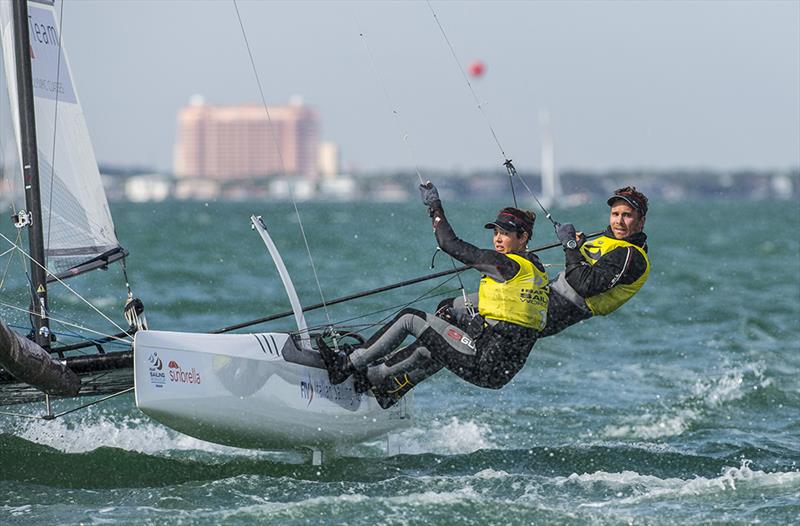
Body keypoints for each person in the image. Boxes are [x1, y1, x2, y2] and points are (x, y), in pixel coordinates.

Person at [317, 182, 549, 408]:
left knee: (410, 318)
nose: (498, 238)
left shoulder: (506, 265)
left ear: (523, 237)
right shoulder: (536, 271)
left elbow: (449, 243)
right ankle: (381, 382)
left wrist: (435, 207)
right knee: (437, 332)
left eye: (506, 233)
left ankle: (346, 364)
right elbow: (512, 314)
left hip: (481, 360)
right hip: (498, 372)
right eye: (496, 232)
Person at [542, 186, 650, 336]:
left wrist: (570, 246)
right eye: (615, 214)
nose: (619, 221)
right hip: (548, 293)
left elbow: (585, 285)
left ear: (641, 221)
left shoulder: (631, 255)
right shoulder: (609, 240)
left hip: (565, 305)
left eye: (627, 215)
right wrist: (577, 246)